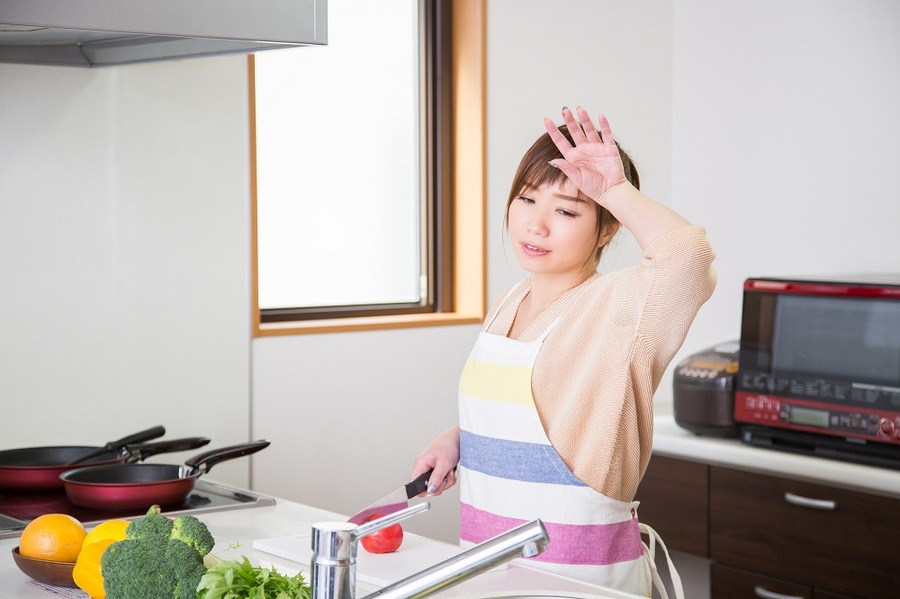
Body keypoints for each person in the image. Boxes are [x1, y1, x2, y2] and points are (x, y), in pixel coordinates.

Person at [410, 106, 716, 597]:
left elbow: (689, 261)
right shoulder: (509, 302)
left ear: (609, 227)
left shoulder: (619, 308)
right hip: (486, 570)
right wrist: (461, 438)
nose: (537, 224)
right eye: (527, 199)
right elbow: (540, 412)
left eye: (568, 210)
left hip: (578, 582)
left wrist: (615, 191)